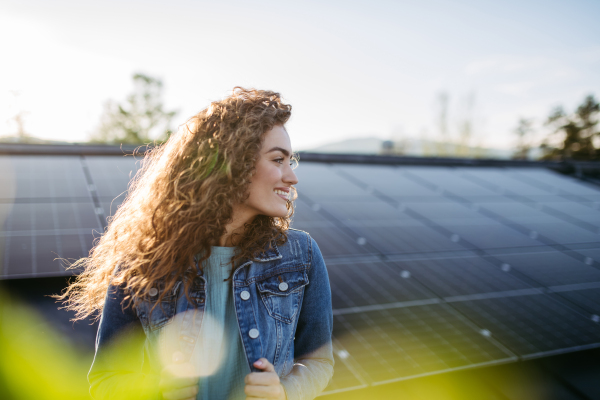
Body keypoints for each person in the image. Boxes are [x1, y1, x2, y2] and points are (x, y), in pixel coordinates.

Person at [58, 88, 334, 400]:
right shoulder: (142, 263)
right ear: (234, 163)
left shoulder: (302, 254)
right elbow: (106, 379)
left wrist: (285, 392)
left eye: (290, 160)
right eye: (278, 159)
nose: (292, 177)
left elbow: (319, 360)